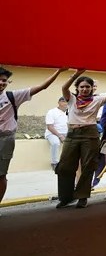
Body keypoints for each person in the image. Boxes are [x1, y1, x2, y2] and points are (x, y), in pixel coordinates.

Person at [56, 69, 106, 208]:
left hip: (90, 134)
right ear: (77, 88)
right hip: (72, 134)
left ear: (92, 88)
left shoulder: (98, 99)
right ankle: (66, 197)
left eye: (87, 86)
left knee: (87, 166)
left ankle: (82, 197)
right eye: (82, 87)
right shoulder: (71, 99)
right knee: (64, 166)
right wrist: (77, 74)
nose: (85, 89)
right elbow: (64, 87)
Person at [0, 67, 64, 207]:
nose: (1, 82)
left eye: (4, 80)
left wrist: (59, 71)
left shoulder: (13, 96)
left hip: (5, 139)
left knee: (1, 174)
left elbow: (42, 87)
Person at [44, 97, 69, 171]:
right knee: (55, 143)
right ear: (59, 102)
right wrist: (60, 136)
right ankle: (54, 163)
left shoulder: (70, 112)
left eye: (67, 102)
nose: (65, 103)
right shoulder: (52, 112)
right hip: (52, 133)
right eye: (63, 101)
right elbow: (50, 127)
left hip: (66, 133)